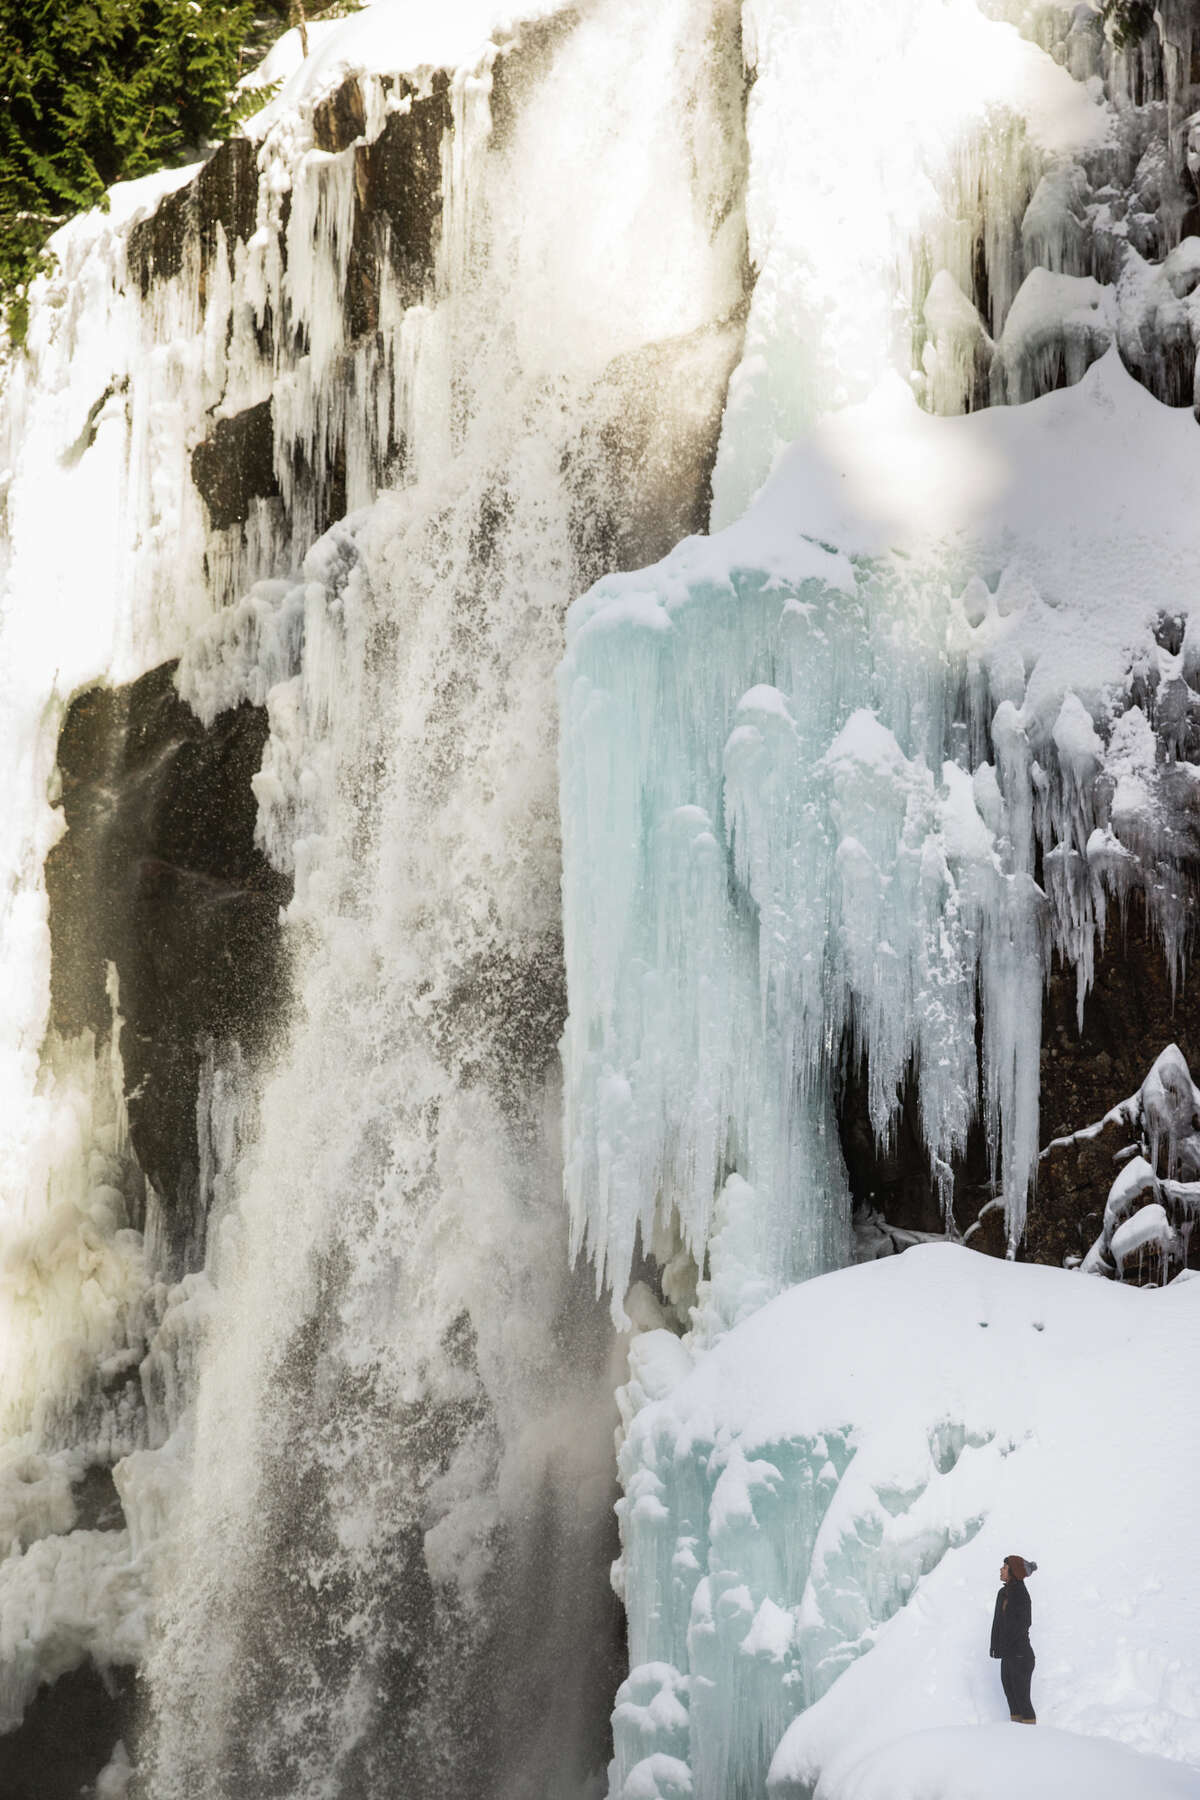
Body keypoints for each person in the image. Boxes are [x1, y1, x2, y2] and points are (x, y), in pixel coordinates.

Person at [990, 1554, 1038, 1723]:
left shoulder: (1021, 1595)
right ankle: (1018, 1739)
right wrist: (995, 1647)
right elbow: (998, 1622)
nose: (1001, 1570)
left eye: (1004, 1568)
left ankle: (1031, 1738)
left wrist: (1007, 1644)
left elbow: (1024, 1624)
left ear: (1013, 1572)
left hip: (1021, 1656)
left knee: (1022, 1700)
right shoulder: (1003, 1593)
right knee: (1012, 1698)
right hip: (1008, 1655)